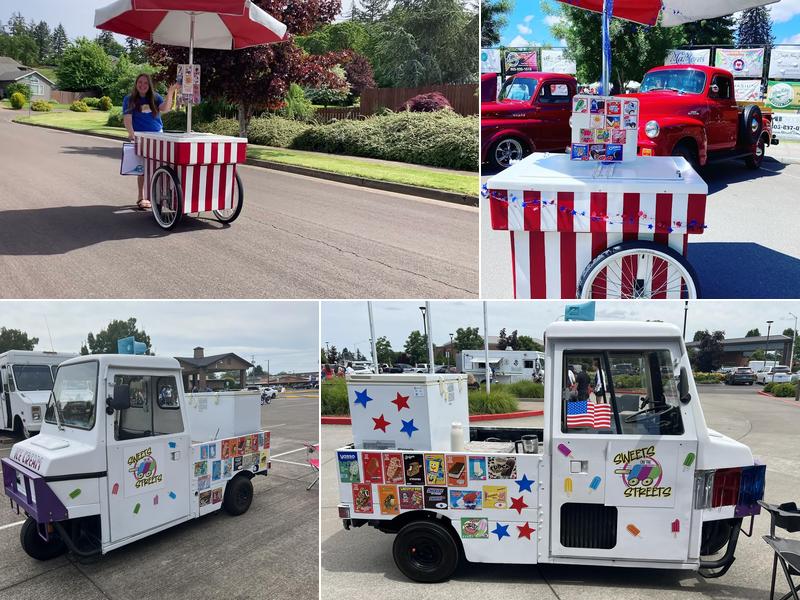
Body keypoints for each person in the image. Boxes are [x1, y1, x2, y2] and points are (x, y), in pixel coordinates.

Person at [123, 73, 180, 210]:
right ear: (136, 84)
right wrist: (131, 133)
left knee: (159, 167)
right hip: (141, 137)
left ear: (149, 85)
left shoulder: (155, 97)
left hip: (157, 136)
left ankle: (159, 197)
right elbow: (127, 118)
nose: (142, 85)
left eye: (145, 83)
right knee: (142, 167)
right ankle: (141, 197)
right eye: (140, 82)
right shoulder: (130, 99)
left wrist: (171, 92)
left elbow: (166, 108)